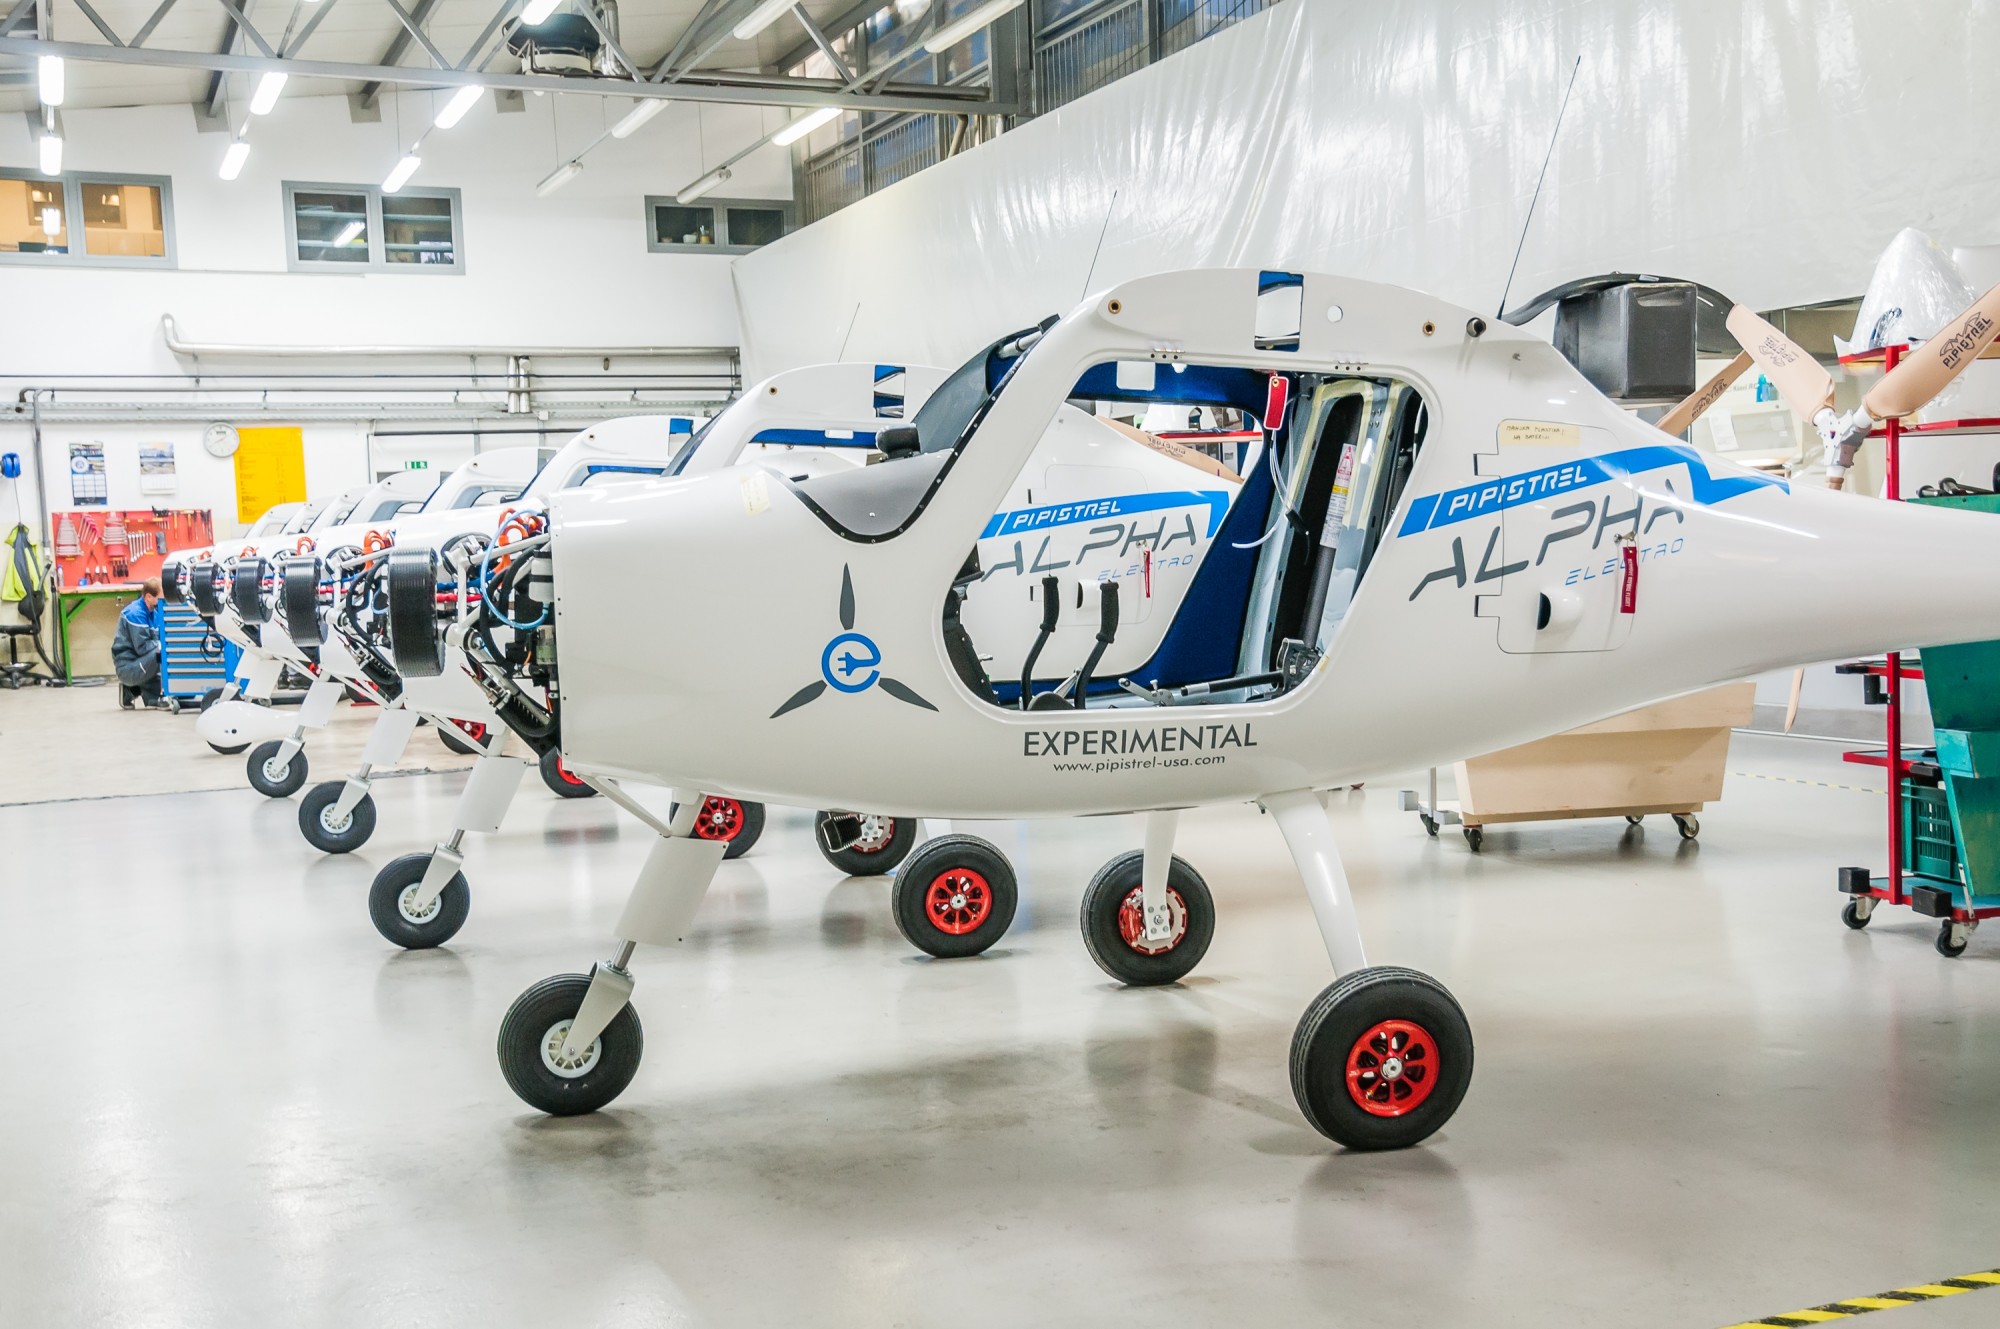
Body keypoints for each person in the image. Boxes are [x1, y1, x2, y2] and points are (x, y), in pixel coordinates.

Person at [112, 577, 172, 710]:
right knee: (162, 651)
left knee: (156, 700)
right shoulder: (134, 613)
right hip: (128, 667)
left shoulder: (154, 614)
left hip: (143, 664)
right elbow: (142, 648)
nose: (163, 602)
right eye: (161, 599)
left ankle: (134, 690)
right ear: (149, 597)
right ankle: (130, 685)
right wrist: (163, 644)